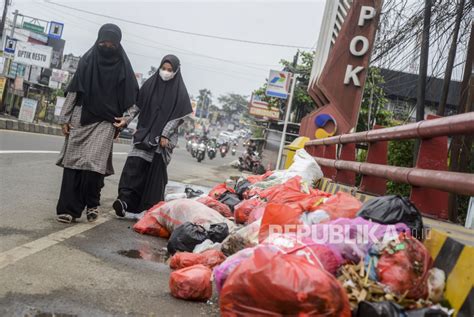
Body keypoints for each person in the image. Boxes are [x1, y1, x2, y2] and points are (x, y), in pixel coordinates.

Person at [56, 24, 139, 224]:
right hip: (81, 117)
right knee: (74, 164)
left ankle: (92, 203)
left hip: (106, 122)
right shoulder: (87, 61)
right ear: (98, 41)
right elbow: (74, 90)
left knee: (94, 166)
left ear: (118, 44)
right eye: (103, 42)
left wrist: (126, 119)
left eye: (111, 43)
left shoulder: (123, 67)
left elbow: (136, 99)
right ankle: (69, 209)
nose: (107, 46)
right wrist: (64, 118)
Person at [113, 55, 193, 216]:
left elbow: (178, 117)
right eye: (164, 68)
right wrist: (126, 121)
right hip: (143, 135)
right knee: (133, 168)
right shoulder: (150, 85)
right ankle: (124, 202)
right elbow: (137, 106)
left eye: (170, 70)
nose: (166, 72)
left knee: (152, 176)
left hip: (161, 142)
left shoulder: (180, 92)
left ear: (176, 71)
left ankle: (148, 209)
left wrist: (164, 134)